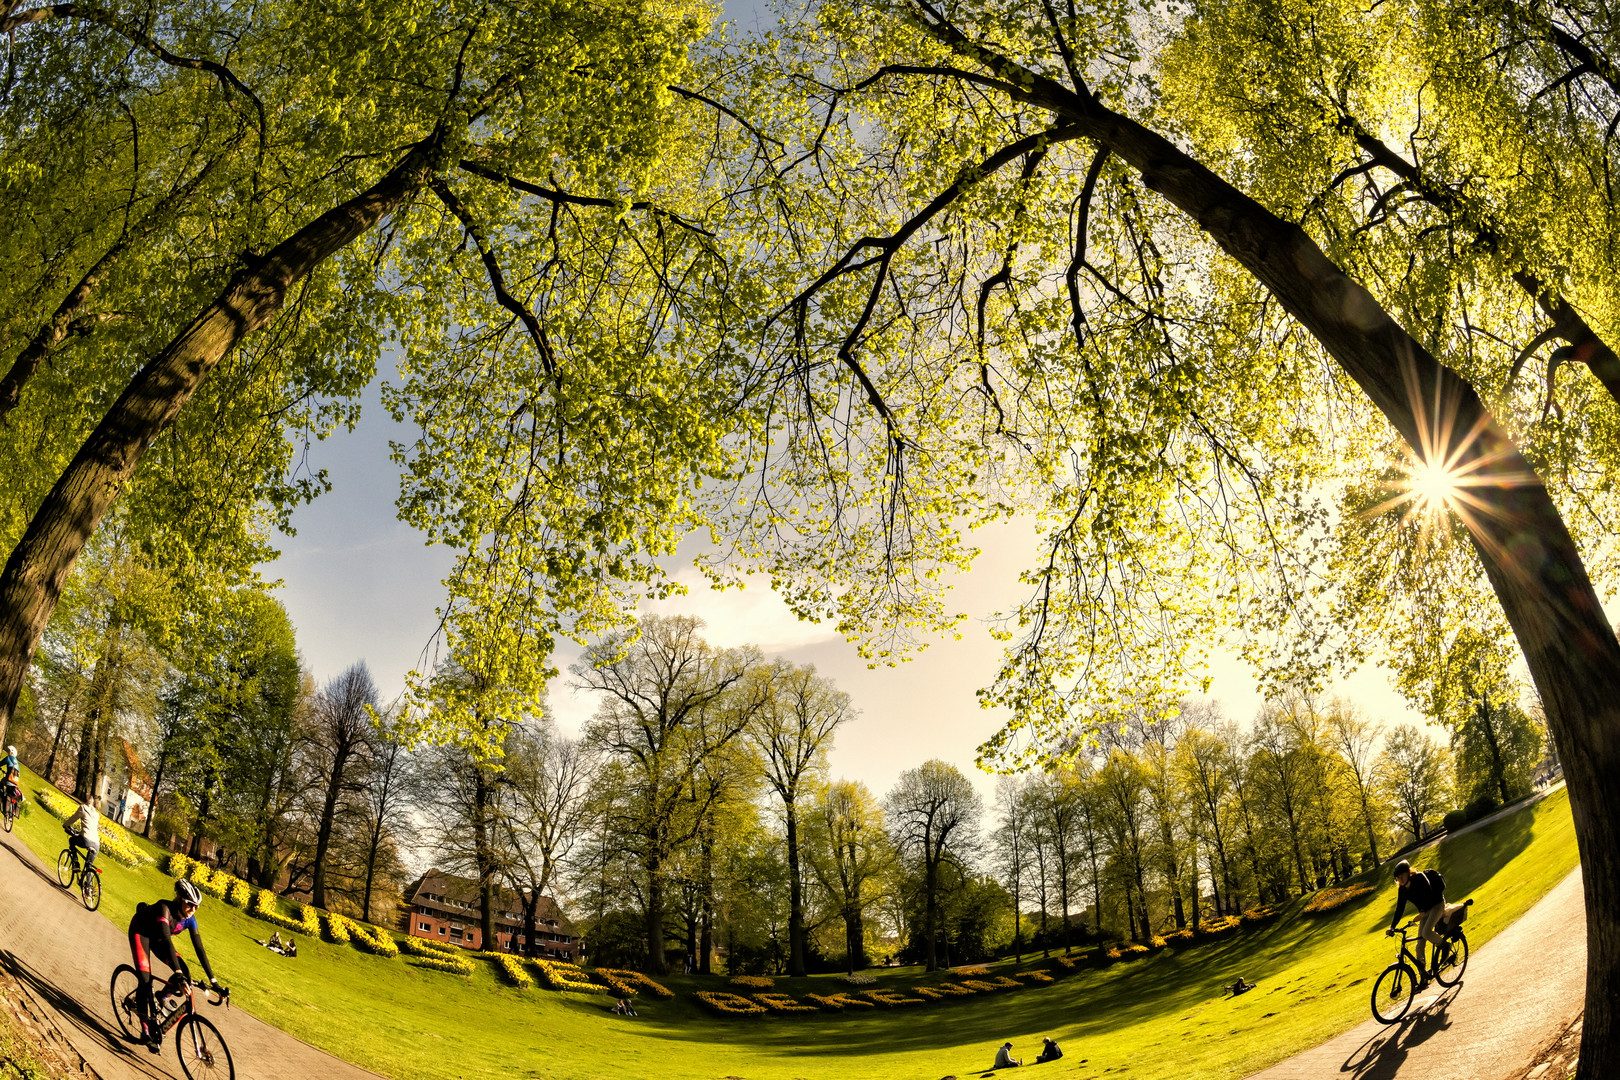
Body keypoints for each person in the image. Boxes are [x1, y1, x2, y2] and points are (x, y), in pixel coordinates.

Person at [128, 880, 223, 1052]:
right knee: (145, 980)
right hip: (141, 931)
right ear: (179, 899)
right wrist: (177, 973)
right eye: (190, 905)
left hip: (158, 940)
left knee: (186, 974)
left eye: (197, 906)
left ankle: (162, 997)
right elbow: (167, 940)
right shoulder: (164, 909)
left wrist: (214, 981)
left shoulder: (190, 919)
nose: (193, 910)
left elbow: (199, 949)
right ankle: (145, 1030)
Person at [1387, 859, 1447, 986]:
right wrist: (1392, 927)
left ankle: (1445, 946)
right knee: (1419, 945)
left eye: (1402, 876)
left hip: (1436, 904)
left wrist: (1423, 911)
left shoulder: (1419, 877)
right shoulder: (1402, 889)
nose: (1400, 880)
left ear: (1408, 873)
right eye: (1398, 878)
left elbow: (1428, 892)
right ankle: (1423, 977)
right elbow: (1400, 908)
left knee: (1426, 932)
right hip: (1425, 911)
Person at [63, 797, 100, 875]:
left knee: (72, 840)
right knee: (88, 866)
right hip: (96, 843)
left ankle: (75, 863)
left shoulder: (83, 808)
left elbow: (73, 818)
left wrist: (65, 825)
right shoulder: (97, 814)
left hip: (86, 839)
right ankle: (88, 885)